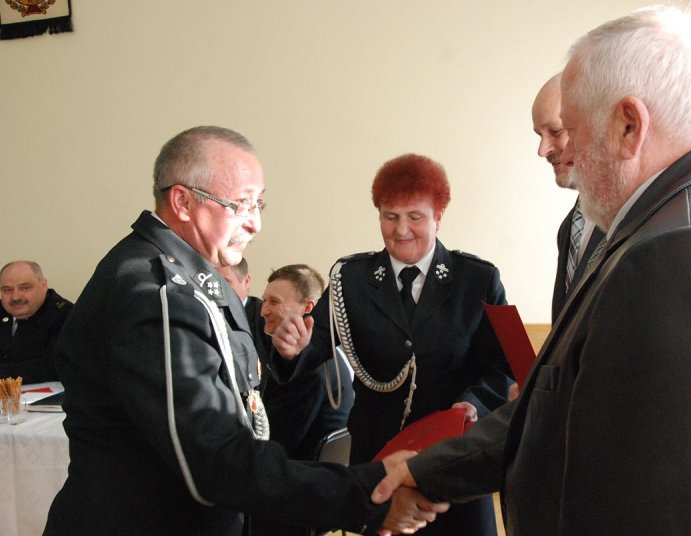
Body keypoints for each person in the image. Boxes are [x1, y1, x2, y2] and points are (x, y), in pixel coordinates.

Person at [373, 7, 691, 535]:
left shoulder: (686, 252)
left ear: (628, 126)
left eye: (570, 129)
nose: (556, 150)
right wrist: (429, 471)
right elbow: (567, 400)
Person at [44, 126, 446, 536]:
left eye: (259, 204)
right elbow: (216, 459)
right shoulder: (156, 293)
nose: (255, 223)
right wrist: (367, 495)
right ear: (183, 202)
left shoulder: (189, 280)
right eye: (241, 204)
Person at [271, 152, 514, 536]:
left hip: (454, 461)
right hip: (378, 463)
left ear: (438, 216)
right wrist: (291, 349)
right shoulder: (350, 278)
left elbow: (503, 365)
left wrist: (474, 403)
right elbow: (314, 344)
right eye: (390, 216)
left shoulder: (479, 279)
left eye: (415, 217)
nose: (401, 230)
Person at [221, 260, 354, 460]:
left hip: (303, 470)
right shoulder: (305, 357)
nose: (263, 311)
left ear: (307, 308)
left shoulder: (308, 366)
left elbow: (275, 441)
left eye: (274, 302)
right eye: (265, 301)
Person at [532, 73, 605, 320]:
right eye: (539, 135)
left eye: (555, 131)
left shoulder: (634, 220)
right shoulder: (569, 226)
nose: (542, 150)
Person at [0, 260, 72, 383]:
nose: (15, 297)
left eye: (25, 288)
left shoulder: (65, 315)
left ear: (43, 285)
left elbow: (53, 367)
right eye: (7, 290)